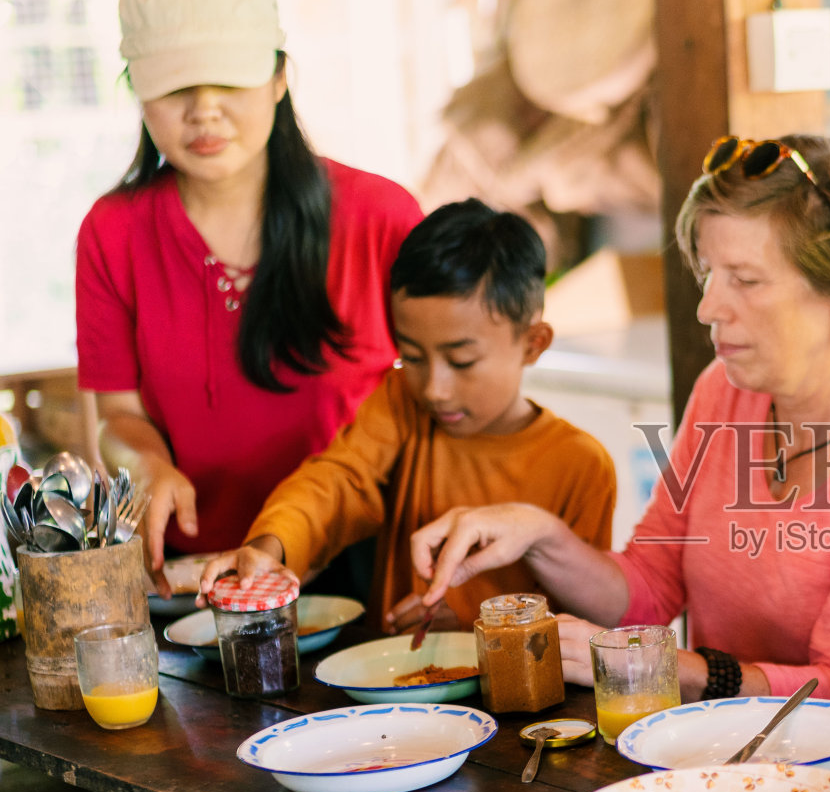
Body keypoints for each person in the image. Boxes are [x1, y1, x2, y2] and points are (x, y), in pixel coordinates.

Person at [409, 134, 830, 709]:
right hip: (717, 746)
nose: (707, 308)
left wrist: (665, 667)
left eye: (745, 280)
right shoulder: (723, 391)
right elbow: (650, 589)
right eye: (708, 272)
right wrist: (540, 535)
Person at [77, 0, 423, 593]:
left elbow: (439, 392)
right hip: (198, 581)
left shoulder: (380, 217)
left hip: (364, 568)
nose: (204, 111)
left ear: (279, 78)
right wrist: (148, 467)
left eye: (229, 82)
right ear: (137, 89)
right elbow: (116, 415)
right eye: (176, 87)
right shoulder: (112, 232)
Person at [196, 199, 615, 633]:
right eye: (411, 357)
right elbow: (338, 481)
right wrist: (272, 546)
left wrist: (474, 629)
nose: (434, 389)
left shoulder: (581, 465)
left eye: (462, 361)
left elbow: (581, 622)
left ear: (533, 343)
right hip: (387, 671)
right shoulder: (402, 404)